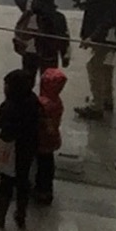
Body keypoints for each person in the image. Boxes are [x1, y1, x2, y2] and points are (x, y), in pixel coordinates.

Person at [0, 67, 41, 229]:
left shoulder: (9, 106)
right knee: (23, 180)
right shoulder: (33, 102)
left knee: (6, 181)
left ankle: (1, 214)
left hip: (9, 149)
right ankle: (21, 214)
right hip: (27, 148)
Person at [11, 0, 70, 81]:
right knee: (48, 84)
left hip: (30, 50)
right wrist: (65, 55)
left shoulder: (30, 7)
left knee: (27, 82)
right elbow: (64, 38)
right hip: (49, 54)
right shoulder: (58, 17)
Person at [33, 64, 66, 204]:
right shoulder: (57, 102)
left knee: (41, 167)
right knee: (48, 165)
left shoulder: (42, 103)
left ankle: (40, 191)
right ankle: (46, 191)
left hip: (39, 140)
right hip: (51, 140)